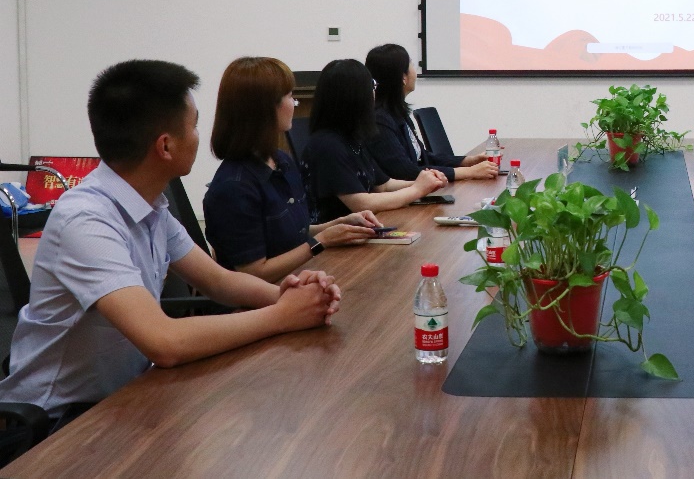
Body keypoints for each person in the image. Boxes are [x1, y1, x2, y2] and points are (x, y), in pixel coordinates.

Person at [0, 60, 341, 428]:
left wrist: (289, 296)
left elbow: (219, 281)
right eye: (193, 125)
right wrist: (282, 315)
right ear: (165, 145)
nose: (198, 136)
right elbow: (164, 342)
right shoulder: (85, 221)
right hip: (54, 425)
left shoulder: (150, 206)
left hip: (122, 400)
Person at [203, 57, 385, 285]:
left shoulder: (281, 161)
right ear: (265, 108)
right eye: (290, 96)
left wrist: (341, 225)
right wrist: (321, 241)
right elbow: (253, 274)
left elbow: (294, 234)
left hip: (298, 281)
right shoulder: (234, 186)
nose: (295, 103)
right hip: (266, 300)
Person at [301, 59, 446, 223]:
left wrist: (426, 182)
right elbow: (361, 203)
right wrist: (417, 190)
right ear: (356, 96)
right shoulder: (327, 145)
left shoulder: (352, 138)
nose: (374, 93)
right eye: (372, 86)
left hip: (363, 228)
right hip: (337, 235)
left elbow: (384, 185)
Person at [362, 43, 497, 183]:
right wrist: (469, 172)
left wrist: (468, 161)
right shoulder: (380, 120)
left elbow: (423, 157)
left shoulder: (396, 112)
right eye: (411, 64)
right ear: (403, 78)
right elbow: (405, 171)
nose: (415, 70)